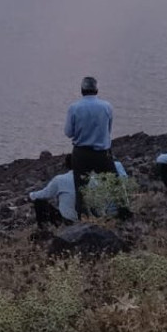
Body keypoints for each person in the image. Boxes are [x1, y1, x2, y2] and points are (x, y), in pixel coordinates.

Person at [65, 76, 115, 215]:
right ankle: (122, 212)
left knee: (81, 189)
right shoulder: (107, 106)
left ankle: (83, 217)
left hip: (81, 153)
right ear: (96, 90)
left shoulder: (74, 108)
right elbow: (108, 130)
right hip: (102, 153)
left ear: (82, 90)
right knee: (113, 184)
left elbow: (68, 132)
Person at [28, 155, 77, 226]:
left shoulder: (60, 179)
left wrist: (31, 195)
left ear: (66, 165)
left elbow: (46, 194)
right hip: (89, 218)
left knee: (39, 201)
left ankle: (44, 228)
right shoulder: (92, 179)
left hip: (69, 219)